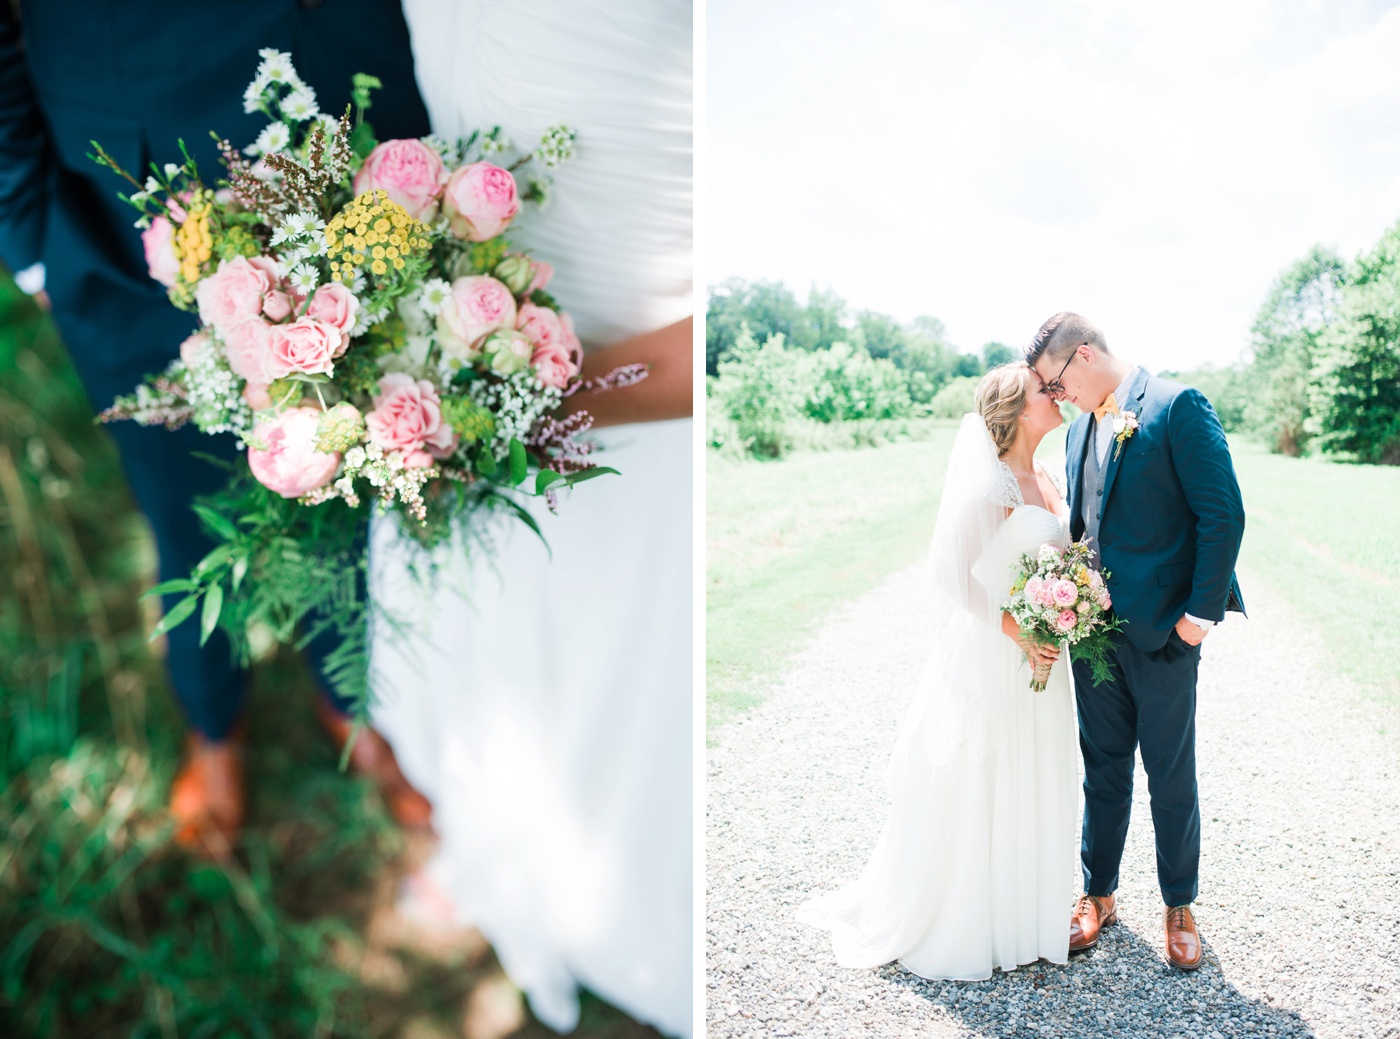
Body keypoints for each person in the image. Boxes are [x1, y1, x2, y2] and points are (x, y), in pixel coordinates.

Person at [0, 0, 435, 853]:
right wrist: (30, 238)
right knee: (178, 496)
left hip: (357, 106)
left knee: (352, 454)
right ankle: (212, 725)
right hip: (134, 192)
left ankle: (348, 700)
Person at [364, 0, 692, 1034]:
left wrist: (523, 401)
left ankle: (622, 907)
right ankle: (500, 852)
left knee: (616, 691)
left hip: (636, 400)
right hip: (463, 348)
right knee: (491, 653)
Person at [797, 364, 1078, 980]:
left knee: (1037, 771)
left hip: (1047, 658)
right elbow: (951, 578)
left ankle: (1026, 914)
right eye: (1043, 390)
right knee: (985, 778)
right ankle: (975, 919)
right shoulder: (992, 487)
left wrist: (1072, 608)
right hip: (998, 652)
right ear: (1015, 409)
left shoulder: (1052, 477)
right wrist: (1022, 632)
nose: (1056, 395)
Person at [1027, 312, 1246, 971]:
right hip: (1093, 635)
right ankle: (1098, 894)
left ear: (1085, 356)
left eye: (1055, 382)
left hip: (1166, 636)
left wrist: (1196, 620)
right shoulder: (1077, 434)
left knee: (1171, 773)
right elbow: (1087, 527)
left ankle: (1180, 904)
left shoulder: (1178, 407)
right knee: (1104, 768)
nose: (1054, 396)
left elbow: (1223, 513)